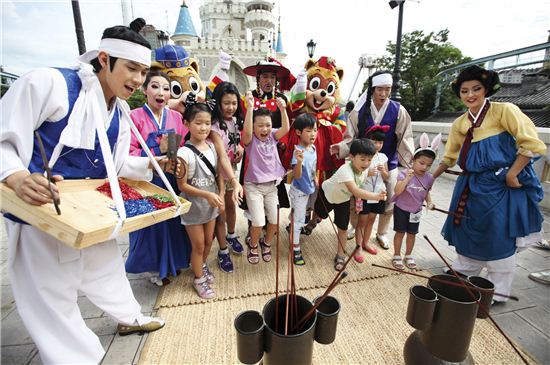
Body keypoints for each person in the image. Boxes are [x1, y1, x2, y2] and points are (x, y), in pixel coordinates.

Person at [0, 19, 166, 364]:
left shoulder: (119, 111)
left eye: (143, 71)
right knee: (50, 292)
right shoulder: (49, 84)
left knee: (105, 264)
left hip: (88, 206)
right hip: (41, 205)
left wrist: (153, 164)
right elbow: (4, 138)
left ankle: (128, 317)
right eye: (131, 69)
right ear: (104, 59)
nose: (137, 80)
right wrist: (16, 177)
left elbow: (116, 165)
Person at [432, 65, 546, 303]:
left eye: (476, 89)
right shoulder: (460, 123)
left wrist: (512, 174)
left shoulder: (504, 111)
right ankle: (465, 272)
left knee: (497, 233)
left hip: (499, 186)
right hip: (469, 185)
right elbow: (449, 156)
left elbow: (531, 144)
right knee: (467, 229)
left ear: (486, 90)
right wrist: (427, 180)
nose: (470, 95)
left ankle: (498, 290)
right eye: (464, 91)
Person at [330, 70, 414, 249]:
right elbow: (350, 137)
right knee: (356, 199)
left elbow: (404, 138)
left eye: (387, 89)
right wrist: (341, 148)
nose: (383, 94)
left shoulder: (398, 111)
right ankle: (355, 227)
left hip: (387, 161)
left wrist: (410, 164)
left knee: (389, 197)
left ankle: (381, 233)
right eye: (379, 89)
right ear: (372, 89)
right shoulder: (359, 111)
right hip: (362, 165)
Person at [125, 69, 191, 286]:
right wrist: (155, 149)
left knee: (173, 223)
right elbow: (128, 152)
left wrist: (173, 152)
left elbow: (181, 147)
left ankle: (175, 262)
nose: (161, 92)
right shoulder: (134, 117)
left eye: (165, 88)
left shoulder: (176, 117)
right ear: (145, 90)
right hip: (147, 180)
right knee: (152, 228)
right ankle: (155, 269)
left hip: (170, 179)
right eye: (154, 86)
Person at [177, 99, 223, 299]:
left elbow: (219, 172)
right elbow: (182, 185)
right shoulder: (183, 153)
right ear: (186, 124)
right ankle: (198, 279)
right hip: (194, 208)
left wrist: (220, 194)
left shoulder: (212, 147)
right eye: (198, 123)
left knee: (207, 242)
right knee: (197, 245)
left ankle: (201, 266)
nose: (204, 127)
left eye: (207, 123)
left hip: (211, 206)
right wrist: (208, 194)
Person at [316, 139, 386, 271]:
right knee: (320, 214)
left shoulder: (365, 170)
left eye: (369, 160)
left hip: (343, 199)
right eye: (363, 159)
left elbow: (358, 186)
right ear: (351, 157)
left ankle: (340, 255)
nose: (366, 163)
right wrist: (376, 197)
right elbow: (355, 190)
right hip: (327, 194)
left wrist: (359, 203)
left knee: (342, 228)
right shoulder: (345, 169)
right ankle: (312, 222)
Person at [242, 91, 289, 265]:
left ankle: (266, 243)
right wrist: (249, 108)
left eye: (268, 125)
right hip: (253, 186)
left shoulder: (273, 136)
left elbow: (286, 129)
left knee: (275, 221)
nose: (265, 129)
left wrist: (282, 109)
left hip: (272, 186)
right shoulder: (250, 139)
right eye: (260, 125)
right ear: (253, 127)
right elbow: (246, 132)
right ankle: (253, 245)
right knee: (258, 221)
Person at [210, 81, 245, 273]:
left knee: (232, 207)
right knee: (220, 213)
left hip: (231, 169)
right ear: (218, 103)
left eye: (234, 103)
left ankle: (231, 236)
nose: (231, 107)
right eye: (226, 103)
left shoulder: (235, 122)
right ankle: (222, 251)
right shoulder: (214, 125)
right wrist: (233, 179)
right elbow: (221, 155)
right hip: (217, 174)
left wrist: (240, 147)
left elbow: (239, 142)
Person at [391, 133, 439, 270]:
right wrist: (406, 179)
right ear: (413, 160)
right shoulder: (404, 173)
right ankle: (396, 255)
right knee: (400, 232)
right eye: (421, 163)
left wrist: (429, 203)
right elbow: (397, 191)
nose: (424, 167)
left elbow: (426, 192)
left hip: (416, 211)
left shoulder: (429, 178)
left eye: (428, 165)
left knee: (412, 234)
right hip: (401, 208)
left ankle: (408, 255)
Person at [353, 125, 390, 263]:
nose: (378, 145)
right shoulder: (363, 157)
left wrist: (383, 172)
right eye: (375, 142)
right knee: (362, 221)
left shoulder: (383, 157)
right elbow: (356, 175)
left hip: (379, 193)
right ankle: (358, 247)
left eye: (380, 142)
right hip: (364, 193)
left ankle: (366, 243)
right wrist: (368, 172)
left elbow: (387, 178)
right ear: (368, 141)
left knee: (371, 220)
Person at [289, 114, 318, 265]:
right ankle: (295, 248)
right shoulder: (298, 152)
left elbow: (313, 167)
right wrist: (299, 162)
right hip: (299, 191)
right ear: (299, 132)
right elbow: (297, 175)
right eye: (309, 131)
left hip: (310, 189)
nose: (313, 134)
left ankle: (292, 223)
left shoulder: (313, 148)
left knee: (301, 214)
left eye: (315, 130)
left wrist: (315, 179)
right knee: (299, 221)